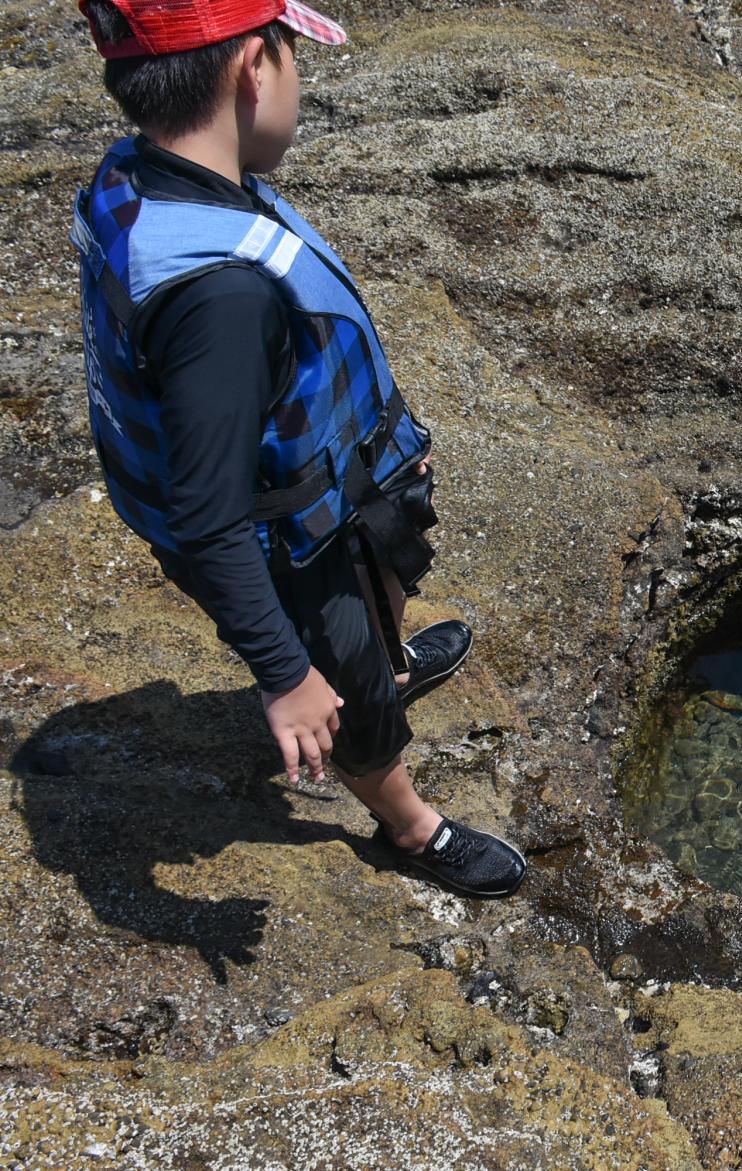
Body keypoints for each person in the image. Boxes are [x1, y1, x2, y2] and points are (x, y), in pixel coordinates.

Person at [70, 0, 527, 896]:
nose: (299, 82)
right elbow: (208, 520)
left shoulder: (141, 170)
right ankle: (409, 824)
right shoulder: (219, 300)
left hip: (319, 491)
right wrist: (286, 676)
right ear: (253, 67)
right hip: (281, 544)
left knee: (374, 612)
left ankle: (389, 668)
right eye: (293, 55)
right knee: (343, 688)